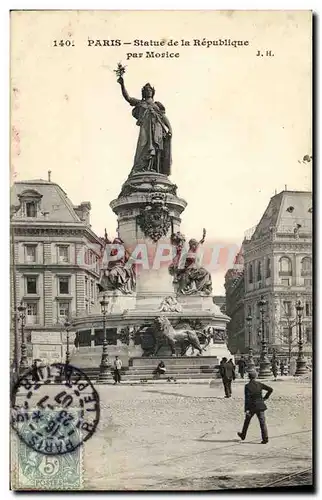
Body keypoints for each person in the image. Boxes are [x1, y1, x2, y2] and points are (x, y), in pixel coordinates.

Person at [237, 371, 273, 444]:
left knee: (247, 421)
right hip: (260, 405)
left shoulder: (247, 386)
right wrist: (265, 398)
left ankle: (243, 435)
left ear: (249, 377)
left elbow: (247, 398)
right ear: (255, 377)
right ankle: (265, 438)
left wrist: (246, 409)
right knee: (262, 423)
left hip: (251, 407)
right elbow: (270, 389)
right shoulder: (259, 384)